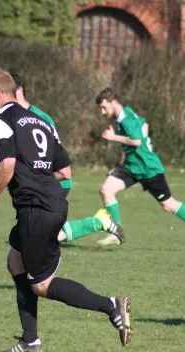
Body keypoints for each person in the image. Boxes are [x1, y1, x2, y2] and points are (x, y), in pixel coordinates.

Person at [0, 67, 132, 352]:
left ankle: (111, 305)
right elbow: (64, 171)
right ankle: (29, 341)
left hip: (36, 209)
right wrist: (37, 176)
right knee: (16, 260)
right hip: (52, 201)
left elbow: (7, 164)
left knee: (41, 285)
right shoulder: (40, 121)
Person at [10, 73, 124, 245]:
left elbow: (55, 157)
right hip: (39, 182)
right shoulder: (14, 117)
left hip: (53, 182)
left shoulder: (39, 118)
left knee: (40, 238)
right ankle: (97, 222)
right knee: (39, 237)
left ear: (18, 91)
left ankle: (97, 222)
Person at [95, 87, 185, 251]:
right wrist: (144, 130)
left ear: (113, 103)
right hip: (131, 166)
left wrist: (113, 137)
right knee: (106, 190)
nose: (102, 112)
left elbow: (136, 141)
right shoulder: (126, 112)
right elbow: (144, 122)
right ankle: (117, 233)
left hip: (149, 168)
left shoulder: (126, 119)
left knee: (168, 205)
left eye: (104, 107)